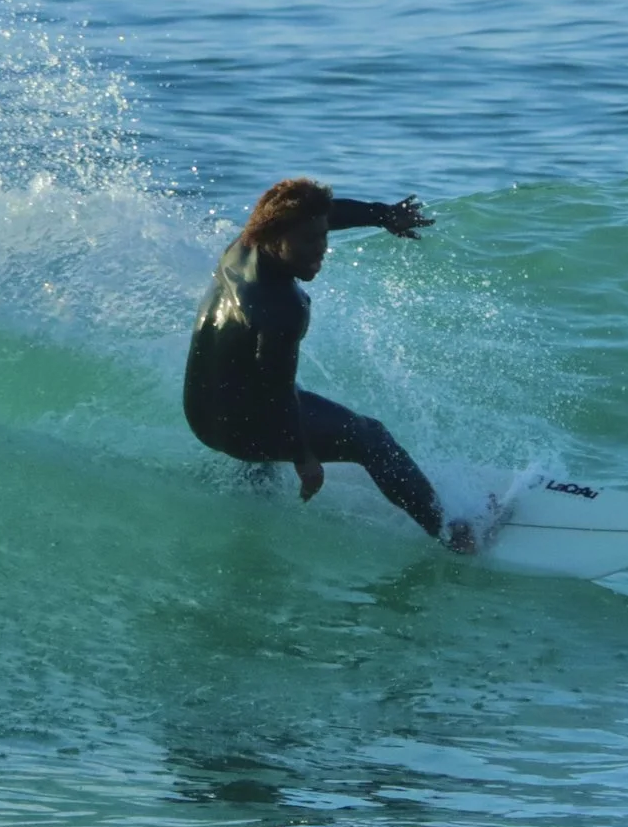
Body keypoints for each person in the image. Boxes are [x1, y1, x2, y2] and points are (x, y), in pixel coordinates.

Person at [183, 177, 474, 553]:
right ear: (278, 236)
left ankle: (253, 487)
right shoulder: (282, 307)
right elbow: (276, 393)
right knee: (372, 438)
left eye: (322, 236)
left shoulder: (245, 245)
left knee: (254, 380)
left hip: (202, 416)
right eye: (308, 242)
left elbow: (318, 216)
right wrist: (304, 457)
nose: (321, 250)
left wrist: (382, 215)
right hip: (242, 429)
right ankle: (451, 533)